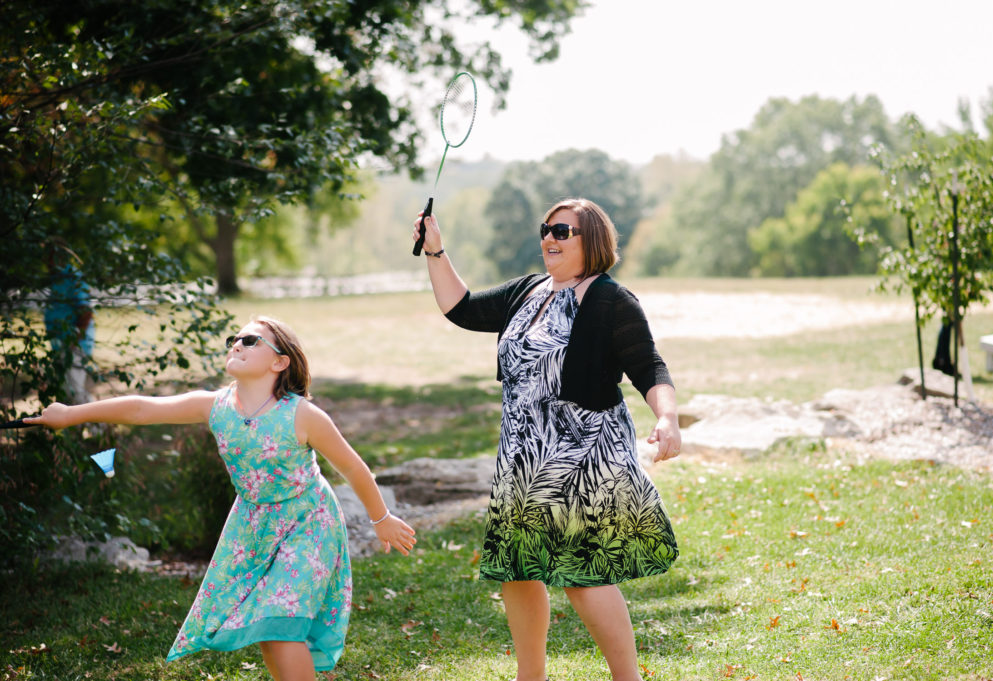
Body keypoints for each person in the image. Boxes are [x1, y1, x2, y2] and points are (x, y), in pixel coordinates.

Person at [26, 315, 416, 680]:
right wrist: (71, 414)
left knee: (280, 623)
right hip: (253, 526)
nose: (237, 344)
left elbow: (352, 468)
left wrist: (381, 519)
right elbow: (143, 409)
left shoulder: (302, 416)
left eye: (251, 340)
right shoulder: (216, 406)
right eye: (234, 339)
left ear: (280, 362)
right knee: (266, 628)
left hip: (309, 521)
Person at [412, 198, 681, 681]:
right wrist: (435, 250)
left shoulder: (611, 300)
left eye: (562, 231)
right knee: (517, 569)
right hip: (522, 457)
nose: (549, 239)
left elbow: (649, 366)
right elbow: (463, 308)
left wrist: (667, 417)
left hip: (582, 456)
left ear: (591, 239)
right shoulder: (528, 291)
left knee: (584, 575)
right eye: (546, 230)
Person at [44, 245, 96, 404]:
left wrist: (74, 341)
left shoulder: (73, 277)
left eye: (49, 256)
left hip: (74, 345)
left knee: (76, 392)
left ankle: (94, 420)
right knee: (65, 391)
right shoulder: (55, 279)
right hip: (60, 344)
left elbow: (86, 312)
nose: (46, 261)